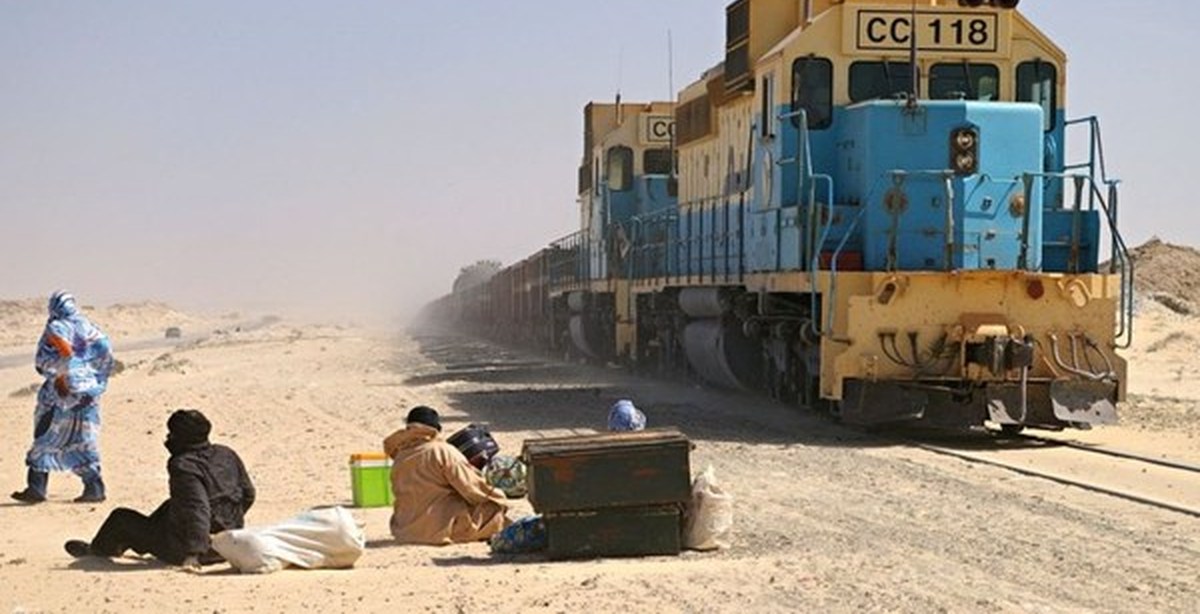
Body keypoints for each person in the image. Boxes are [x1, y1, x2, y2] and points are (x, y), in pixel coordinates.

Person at [63, 409, 256, 570]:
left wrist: (193, 553)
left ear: (181, 437)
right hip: (229, 544)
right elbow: (248, 494)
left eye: (172, 434)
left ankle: (98, 550)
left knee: (120, 518)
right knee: (169, 506)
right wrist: (227, 525)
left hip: (193, 549)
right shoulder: (226, 453)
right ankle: (136, 540)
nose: (168, 438)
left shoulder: (183, 464)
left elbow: (196, 508)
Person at [12, 291, 114, 503]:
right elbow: (104, 353)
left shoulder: (57, 326)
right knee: (84, 439)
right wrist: (88, 379)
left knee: (45, 434)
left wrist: (62, 376)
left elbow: (66, 353)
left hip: (61, 393)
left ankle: (36, 489)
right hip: (86, 395)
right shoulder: (89, 327)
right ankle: (94, 488)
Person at [384, 406, 510, 545]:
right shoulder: (443, 451)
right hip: (438, 530)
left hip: (404, 530)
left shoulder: (401, 455)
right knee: (493, 510)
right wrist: (499, 497)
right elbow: (472, 490)